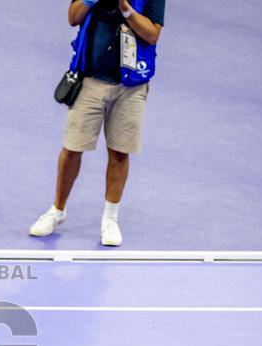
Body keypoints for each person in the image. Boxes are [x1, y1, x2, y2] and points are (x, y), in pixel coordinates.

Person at [30, 0, 165, 246]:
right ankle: (57, 211)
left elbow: (152, 34)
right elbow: (73, 17)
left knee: (119, 153)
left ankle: (110, 219)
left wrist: (125, 8)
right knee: (71, 149)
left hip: (131, 86)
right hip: (89, 79)